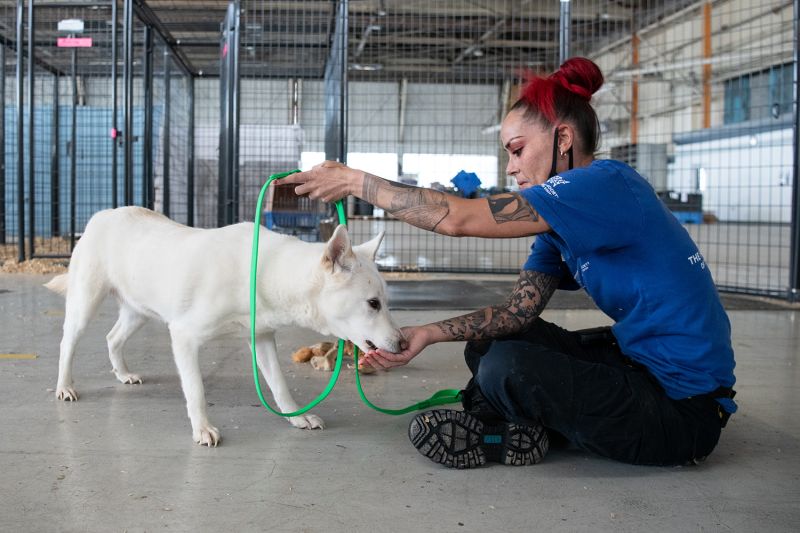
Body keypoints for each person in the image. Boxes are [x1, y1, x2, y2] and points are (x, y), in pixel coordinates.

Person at [282, 57, 736, 469]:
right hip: (635, 364)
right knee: (488, 344)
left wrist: (356, 181)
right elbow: (517, 313)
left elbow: (458, 218)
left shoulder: (606, 185)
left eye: (517, 150)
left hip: (683, 409)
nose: (512, 169)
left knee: (506, 370)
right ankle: (519, 424)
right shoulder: (557, 225)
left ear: (563, 138)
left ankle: (497, 434)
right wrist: (426, 335)